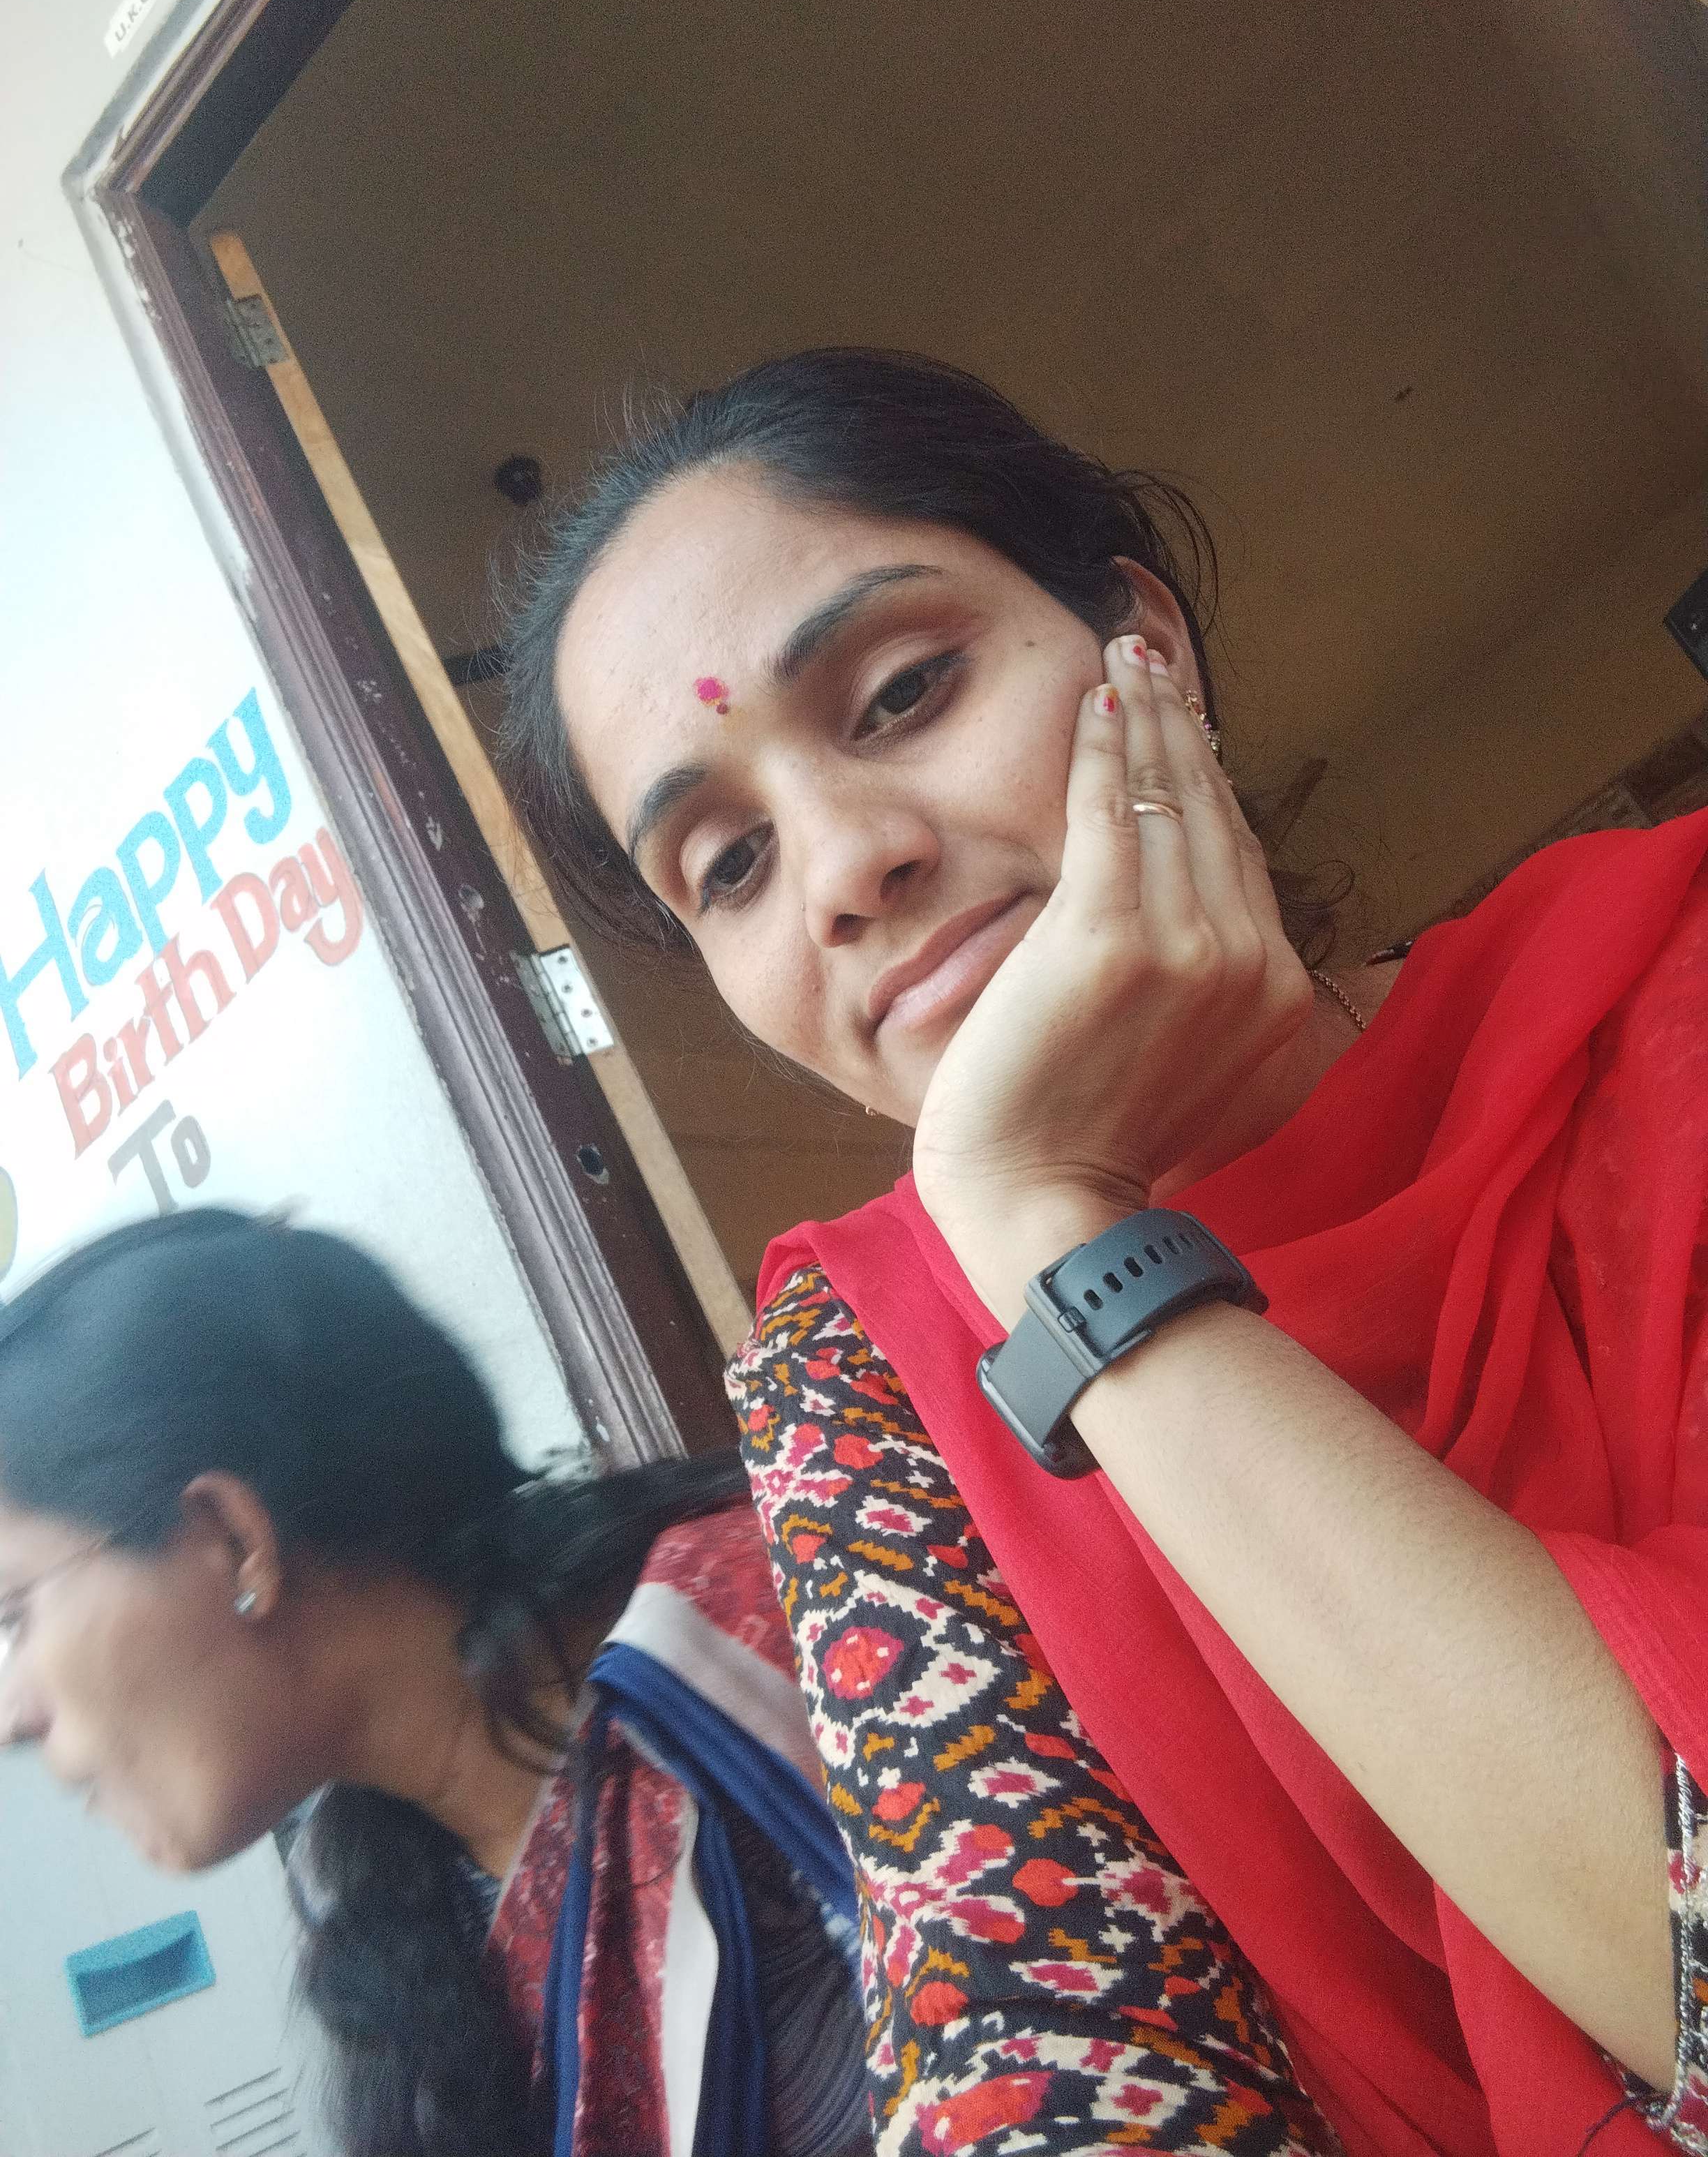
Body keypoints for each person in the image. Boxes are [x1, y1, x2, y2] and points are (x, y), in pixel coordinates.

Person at [500, 347, 1708, 2157]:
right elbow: (1046, 2073)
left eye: (904, 691)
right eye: (729, 864)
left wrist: (1056, 1225)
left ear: (1143, 642)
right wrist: (1030, 1210)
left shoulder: (1669, 988)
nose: (841, 868)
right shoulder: (867, 1379)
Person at [0, 1208, 872, 2157]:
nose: (10, 1718)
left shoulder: (802, 1638)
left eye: (13, 1618)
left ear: (231, 1540)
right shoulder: (387, 1913)